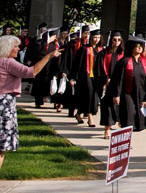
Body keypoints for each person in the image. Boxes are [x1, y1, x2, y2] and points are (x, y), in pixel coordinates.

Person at [0, 34, 60, 170]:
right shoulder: (8, 62)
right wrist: (48, 56)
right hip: (4, 105)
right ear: (7, 48)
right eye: (15, 46)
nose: (18, 49)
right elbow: (31, 72)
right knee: (1, 147)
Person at [105, 34, 146, 132]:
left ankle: (128, 138)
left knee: (137, 117)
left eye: (141, 46)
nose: (140, 48)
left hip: (140, 94)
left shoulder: (144, 63)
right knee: (128, 116)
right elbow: (118, 80)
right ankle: (126, 142)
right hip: (126, 94)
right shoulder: (124, 62)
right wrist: (117, 95)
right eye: (137, 46)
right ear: (131, 48)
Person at [69, 29, 103, 126]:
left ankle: (79, 114)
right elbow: (77, 64)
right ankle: (90, 118)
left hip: (97, 77)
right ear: (91, 38)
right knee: (89, 95)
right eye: (94, 37)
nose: (96, 39)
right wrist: (73, 77)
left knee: (92, 97)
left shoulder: (100, 50)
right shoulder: (84, 49)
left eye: (98, 37)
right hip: (85, 76)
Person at [96, 31, 124, 138]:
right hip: (107, 84)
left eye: (119, 40)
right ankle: (107, 129)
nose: (116, 42)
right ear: (110, 40)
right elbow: (99, 68)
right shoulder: (103, 53)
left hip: (120, 85)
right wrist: (106, 79)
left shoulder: (123, 54)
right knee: (107, 106)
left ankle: (119, 125)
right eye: (114, 39)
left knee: (120, 107)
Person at [28, 27, 59, 108]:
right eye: (53, 36)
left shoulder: (54, 45)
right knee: (38, 84)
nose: (55, 37)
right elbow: (38, 52)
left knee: (48, 84)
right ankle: (38, 101)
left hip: (49, 68)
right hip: (40, 67)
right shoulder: (41, 43)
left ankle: (47, 98)